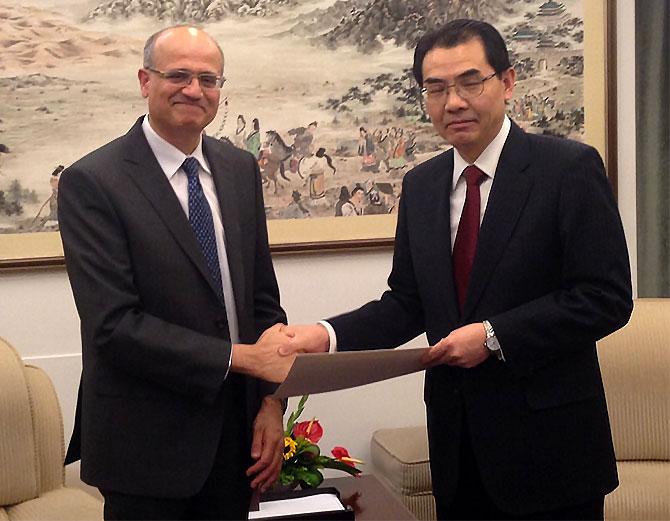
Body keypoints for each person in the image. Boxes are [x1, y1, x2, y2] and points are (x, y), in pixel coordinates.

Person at [284, 19, 632, 521]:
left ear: (507, 82)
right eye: (437, 88)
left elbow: (606, 297)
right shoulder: (422, 185)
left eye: (471, 82)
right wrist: (325, 335)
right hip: (457, 449)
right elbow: (407, 302)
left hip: (551, 453)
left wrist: (493, 336)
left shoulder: (567, 169)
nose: (455, 102)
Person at [58, 25, 296, 520]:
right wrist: (243, 360)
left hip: (236, 439)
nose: (194, 89)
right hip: (146, 445)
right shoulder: (94, 181)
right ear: (145, 81)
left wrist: (271, 402)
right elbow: (114, 325)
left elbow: (262, 301)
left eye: (208, 79)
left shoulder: (238, 169)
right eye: (178, 75)